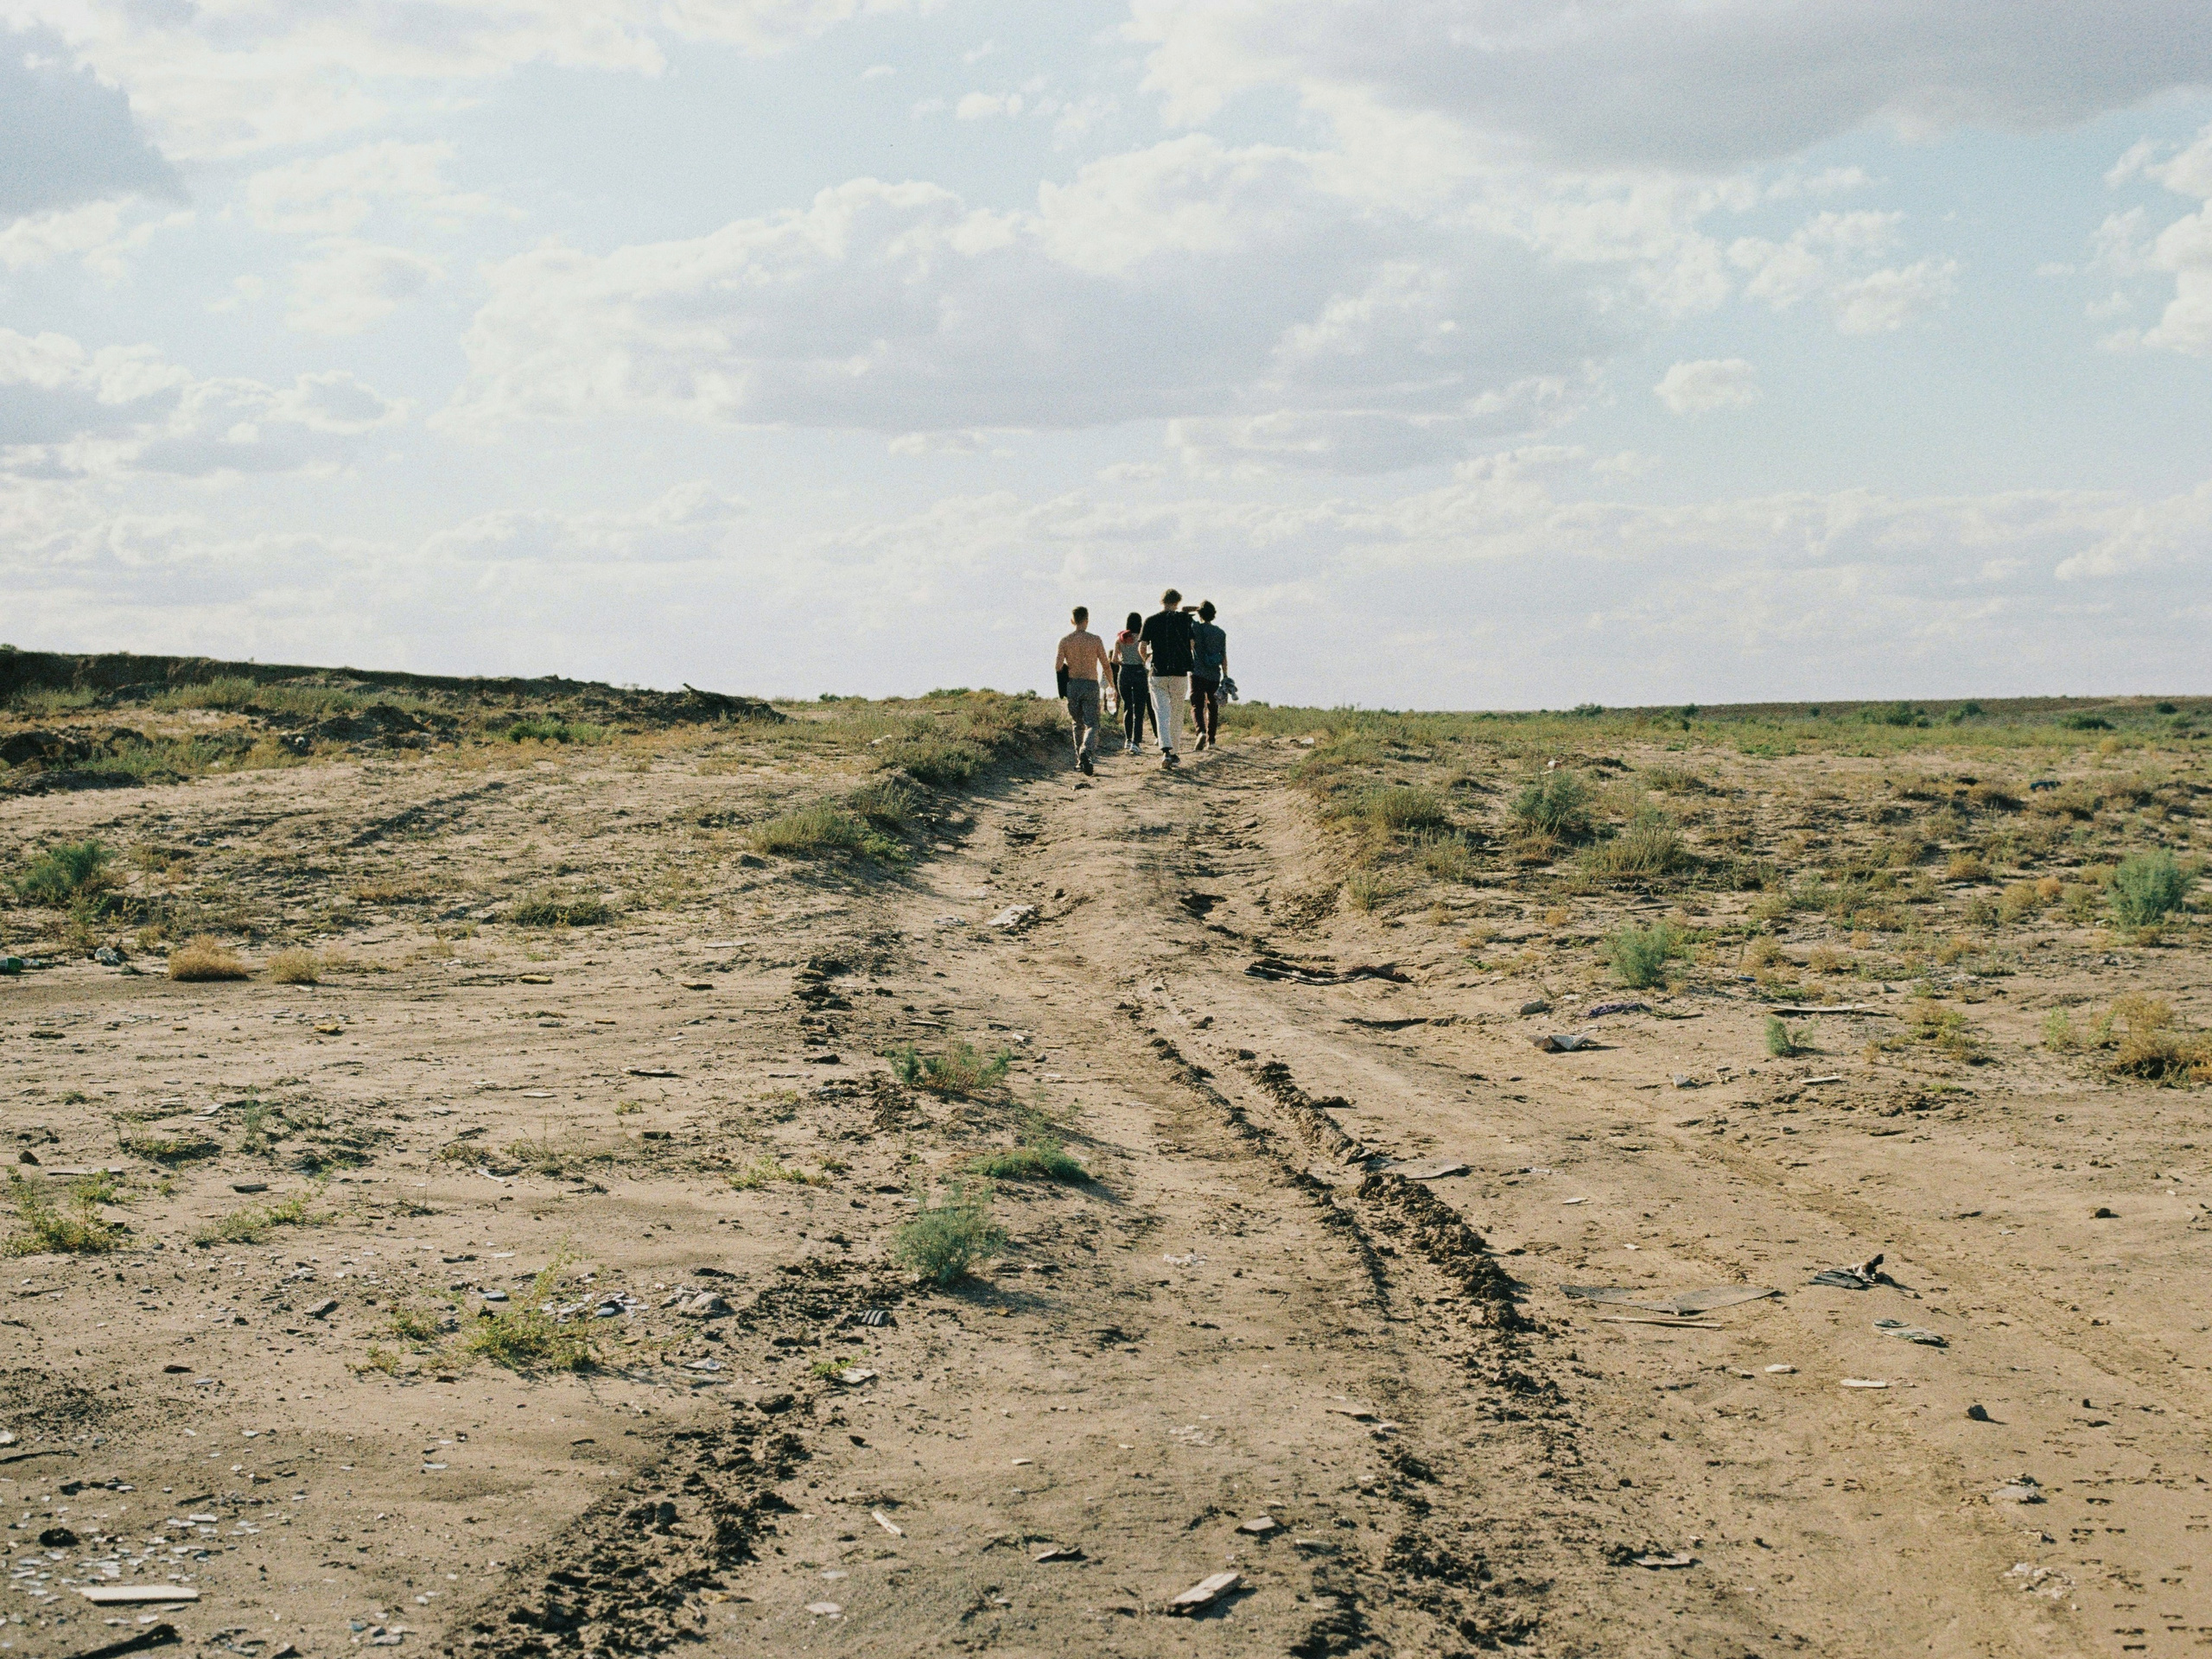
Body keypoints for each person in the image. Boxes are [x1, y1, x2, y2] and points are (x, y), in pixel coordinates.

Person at [1138, 588, 1194, 767]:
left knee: (1161, 712)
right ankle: (1175, 753)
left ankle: (1166, 751)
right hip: (1179, 673)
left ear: (1161, 601)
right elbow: (1192, 643)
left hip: (1158, 672)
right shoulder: (1185, 620)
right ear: (1177, 602)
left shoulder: (1151, 620)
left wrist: (1147, 660)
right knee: (1177, 712)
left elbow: (1142, 647)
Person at [1053, 606, 1111, 776]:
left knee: (1077, 723)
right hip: (1091, 683)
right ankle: (1086, 751)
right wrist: (1111, 683)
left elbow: (1057, 666)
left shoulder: (1065, 640)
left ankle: (1080, 760)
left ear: (1072, 620)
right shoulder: (1095, 640)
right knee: (1092, 723)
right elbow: (1106, 664)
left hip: (1073, 685)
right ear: (1087, 619)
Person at [1188, 599, 1226, 751]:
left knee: (1197, 705)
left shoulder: (1195, 627)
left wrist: (1197, 608)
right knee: (1213, 706)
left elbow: (1183, 611)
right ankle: (1211, 741)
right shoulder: (1221, 633)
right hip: (1214, 675)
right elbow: (1223, 655)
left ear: (1200, 614)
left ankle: (1201, 732)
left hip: (1197, 672)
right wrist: (1226, 674)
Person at [1113, 611, 1149, 753]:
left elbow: (1114, 660)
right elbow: (1146, 655)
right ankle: (1136, 742)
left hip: (1125, 673)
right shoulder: (1142, 638)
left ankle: (1128, 740)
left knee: (1127, 706)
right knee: (1139, 708)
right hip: (1139, 672)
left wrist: (1123, 662)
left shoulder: (1120, 639)